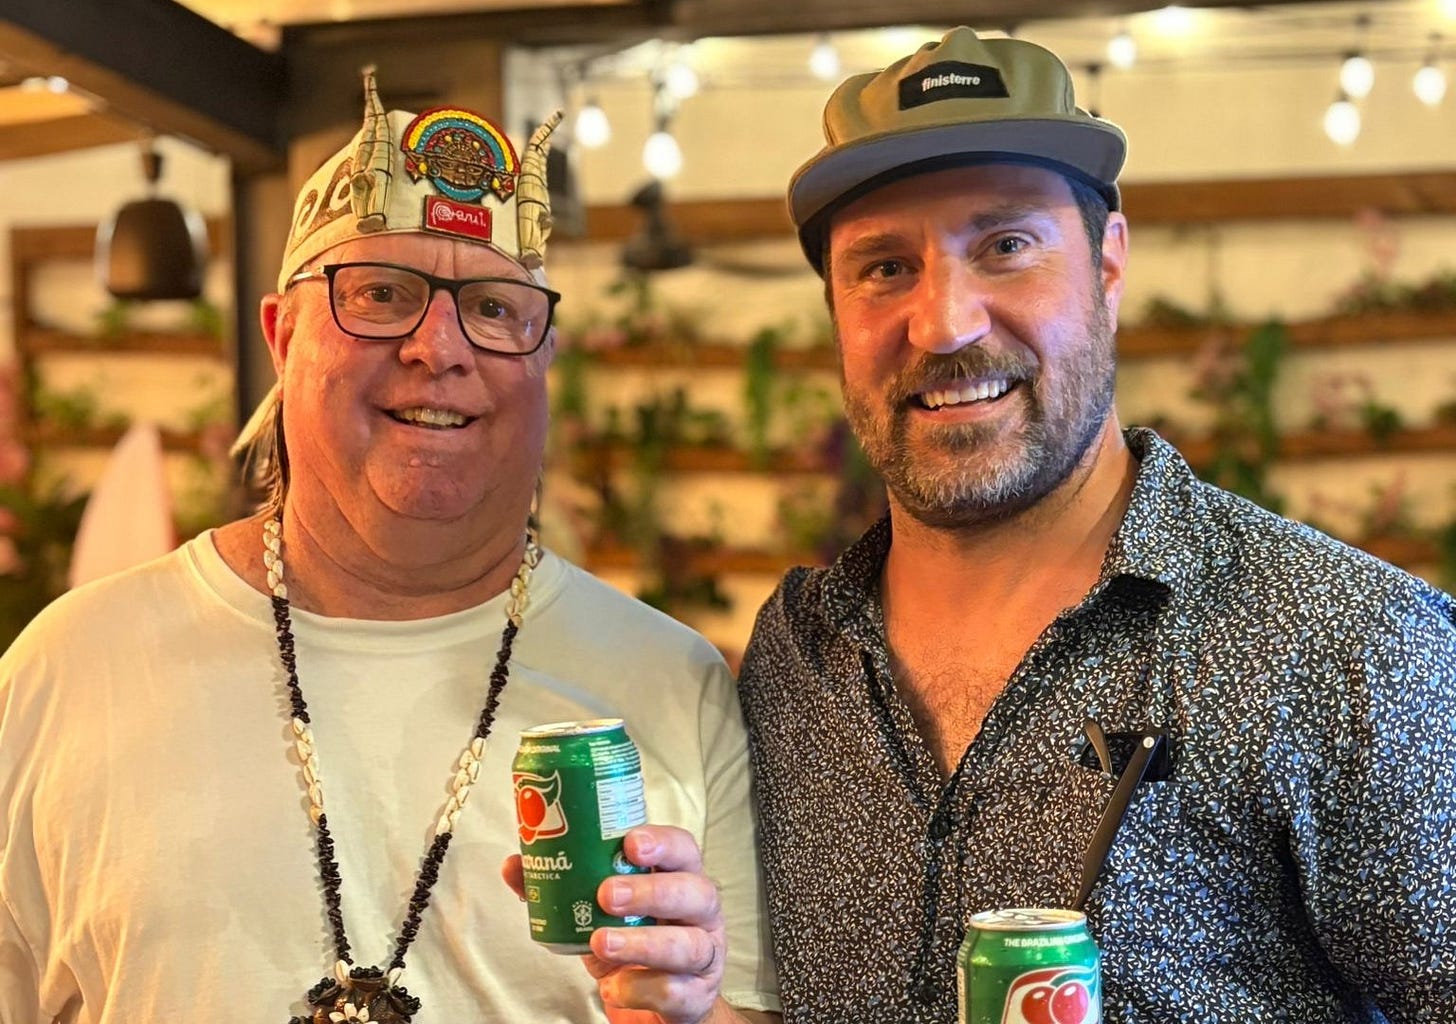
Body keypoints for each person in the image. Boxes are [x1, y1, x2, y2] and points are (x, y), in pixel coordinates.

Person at [0, 69, 779, 1024]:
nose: (439, 347)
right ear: (282, 336)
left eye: (494, 309)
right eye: (380, 294)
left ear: (545, 357)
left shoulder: (673, 685)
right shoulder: (69, 669)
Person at [737, 25, 1456, 1024]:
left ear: (1108, 265)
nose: (944, 324)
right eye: (885, 267)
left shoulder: (1345, 642)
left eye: (1006, 246)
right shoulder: (794, 656)